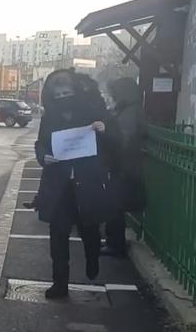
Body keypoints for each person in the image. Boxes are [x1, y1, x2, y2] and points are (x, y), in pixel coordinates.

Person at [34, 69, 121, 299]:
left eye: (67, 92)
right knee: (58, 236)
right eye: (58, 94)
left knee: (89, 230)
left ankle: (92, 256)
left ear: (75, 92)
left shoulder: (92, 113)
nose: (63, 97)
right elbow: (41, 144)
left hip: (86, 183)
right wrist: (44, 157)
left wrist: (104, 129)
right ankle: (60, 283)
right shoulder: (49, 118)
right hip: (59, 185)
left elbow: (116, 141)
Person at [102, 78, 146, 257]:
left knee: (115, 205)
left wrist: (107, 136)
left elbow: (123, 138)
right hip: (122, 164)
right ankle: (113, 241)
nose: (112, 95)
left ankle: (115, 244)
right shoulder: (127, 109)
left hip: (123, 166)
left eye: (115, 91)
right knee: (114, 204)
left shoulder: (129, 112)